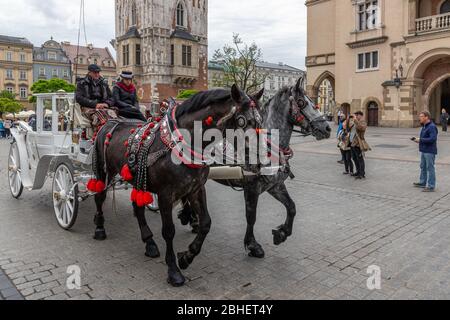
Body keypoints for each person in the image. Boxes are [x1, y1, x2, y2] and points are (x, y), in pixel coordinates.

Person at [75, 64, 117, 128]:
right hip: (88, 107)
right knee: (100, 118)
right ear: (89, 72)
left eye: (98, 72)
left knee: (114, 117)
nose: (97, 74)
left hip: (104, 107)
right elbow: (79, 98)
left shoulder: (104, 84)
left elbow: (112, 98)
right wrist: (95, 104)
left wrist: (106, 104)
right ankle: (98, 136)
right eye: (95, 72)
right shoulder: (82, 83)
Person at [413, 111, 438, 192]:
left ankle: (431, 186)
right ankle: (422, 182)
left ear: (426, 117)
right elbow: (425, 138)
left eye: (421, 116)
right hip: (424, 150)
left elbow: (432, 139)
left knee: (430, 168)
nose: (419, 118)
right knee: (423, 167)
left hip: (429, 151)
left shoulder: (431, 126)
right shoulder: (424, 126)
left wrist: (420, 140)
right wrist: (418, 141)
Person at [349, 111, 371, 180]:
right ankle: (358, 171)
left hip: (358, 143)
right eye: (355, 115)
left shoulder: (363, 121)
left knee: (360, 159)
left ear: (360, 115)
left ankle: (362, 173)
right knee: (354, 158)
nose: (355, 116)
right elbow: (349, 128)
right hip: (352, 143)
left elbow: (362, 128)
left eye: (356, 115)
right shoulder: (355, 122)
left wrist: (355, 120)